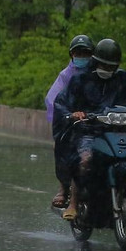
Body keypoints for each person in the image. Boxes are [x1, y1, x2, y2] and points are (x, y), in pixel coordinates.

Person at [53, 37, 126, 222]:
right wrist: (73, 114)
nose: (107, 70)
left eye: (111, 67)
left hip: (118, 130)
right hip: (89, 131)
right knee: (84, 159)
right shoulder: (80, 80)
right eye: (103, 65)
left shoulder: (124, 80)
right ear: (96, 61)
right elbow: (61, 102)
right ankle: (74, 202)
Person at [45, 35, 92, 208]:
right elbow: (54, 100)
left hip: (97, 119)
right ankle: (64, 188)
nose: (82, 56)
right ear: (71, 54)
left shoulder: (99, 74)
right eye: (78, 52)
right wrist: (69, 114)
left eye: (85, 53)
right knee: (65, 148)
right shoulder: (66, 76)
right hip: (74, 121)